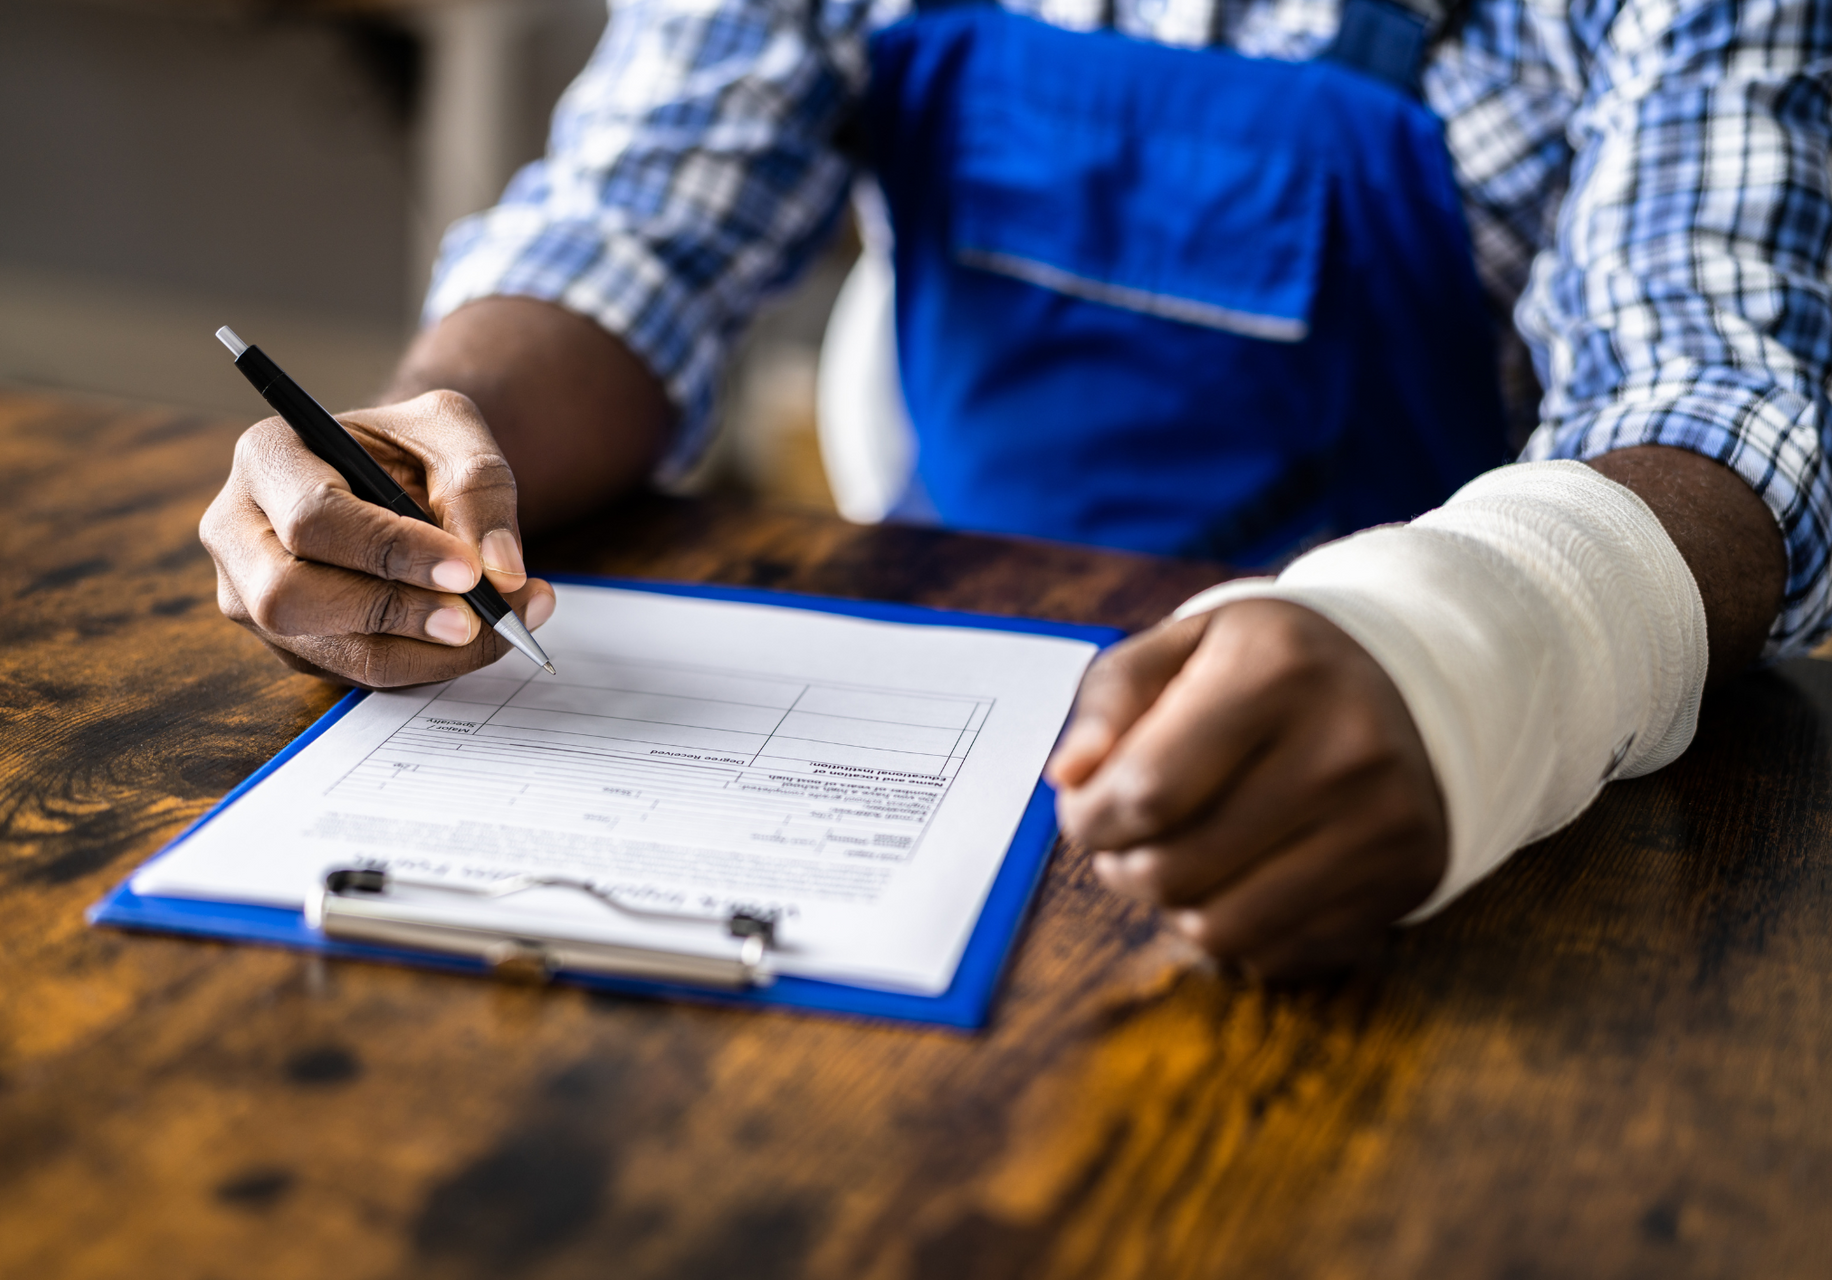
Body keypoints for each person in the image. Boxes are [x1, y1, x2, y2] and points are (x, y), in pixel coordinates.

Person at [199, 0, 1831, 977]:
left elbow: (1731, 394)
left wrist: (1478, 658)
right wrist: (435, 445)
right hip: (926, 752)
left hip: (1394, 781)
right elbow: (637, 221)